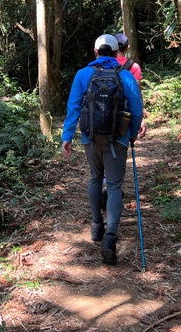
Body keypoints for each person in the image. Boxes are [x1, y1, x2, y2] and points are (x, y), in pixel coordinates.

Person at [62, 34, 143, 265]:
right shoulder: (126, 76)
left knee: (96, 178)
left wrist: (67, 137)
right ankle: (111, 236)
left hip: (90, 138)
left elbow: (74, 107)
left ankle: (97, 225)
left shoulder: (82, 75)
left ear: (95, 51)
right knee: (115, 186)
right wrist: (133, 132)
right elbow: (136, 109)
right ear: (117, 52)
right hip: (117, 139)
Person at [114, 33, 146, 139]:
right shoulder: (134, 67)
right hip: (125, 115)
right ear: (127, 48)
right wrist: (140, 119)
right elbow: (137, 94)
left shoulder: (105, 65)